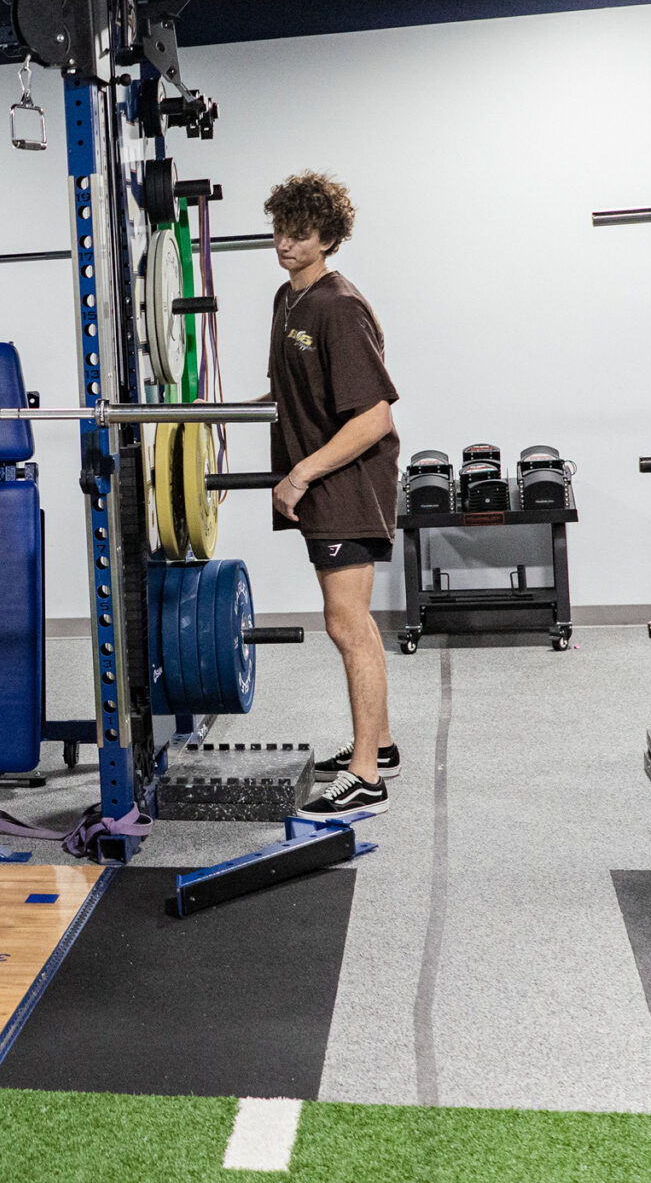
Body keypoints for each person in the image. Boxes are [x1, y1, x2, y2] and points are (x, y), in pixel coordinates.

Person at [252, 171, 401, 817]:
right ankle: (381, 746)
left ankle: (366, 777)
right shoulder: (288, 300)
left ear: (329, 239)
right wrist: (221, 416)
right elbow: (294, 391)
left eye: (301, 235)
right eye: (281, 230)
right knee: (350, 620)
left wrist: (301, 473)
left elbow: (374, 417)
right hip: (323, 480)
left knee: (346, 623)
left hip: (348, 483)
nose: (286, 243)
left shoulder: (339, 307)